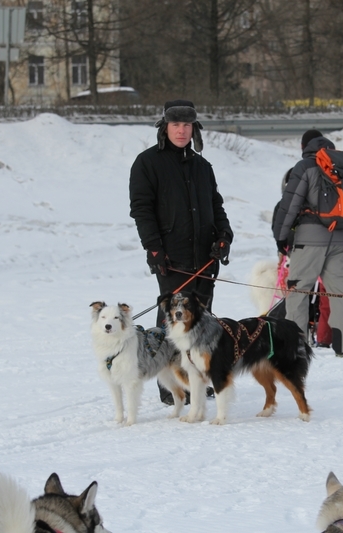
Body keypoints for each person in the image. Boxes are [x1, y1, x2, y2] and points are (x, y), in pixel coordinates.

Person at [129, 99, 233, 404]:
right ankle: (172, 386)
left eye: (187, 125)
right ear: (165, 127)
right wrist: (154, 249)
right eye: (176, 125)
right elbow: (141, 210)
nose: (181, 130)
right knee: (174, 321)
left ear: (194, 129)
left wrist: (224, 236)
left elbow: (216, 206)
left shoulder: (203, 166)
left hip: (205, 257)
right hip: (171, 260)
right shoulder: (147, 163)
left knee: (203, 320)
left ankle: (199, 381)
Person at [272, 131, 343, 357]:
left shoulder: (305, 167)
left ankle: (297, 348)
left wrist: (281, 236)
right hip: (339, 239)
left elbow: (290, 204)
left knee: (298, 292)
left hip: (308, 241)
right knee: (340, 293)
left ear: (304, 147)